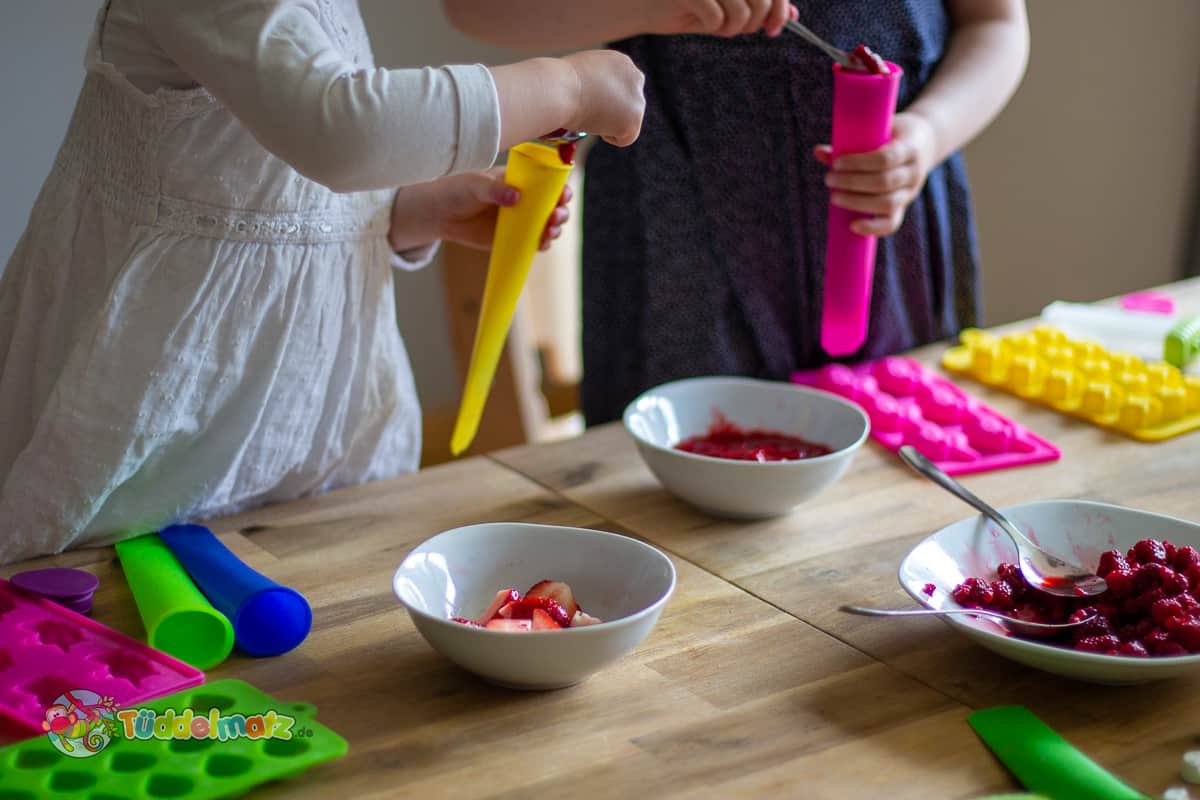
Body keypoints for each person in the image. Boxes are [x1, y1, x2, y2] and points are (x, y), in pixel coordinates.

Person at [0, 0, 645, 564]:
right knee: (102, 664)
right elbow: (343, 130)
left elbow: (268, 190)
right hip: (148, 462)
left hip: (304, 462)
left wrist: (404, 213)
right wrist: (568, 85)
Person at [443, 0, 1029, 424]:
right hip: (676, 240)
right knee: (682, 498)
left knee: (893, 477)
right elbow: (478, 9)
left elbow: (996, 22)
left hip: (887, 229)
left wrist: (928, 134)